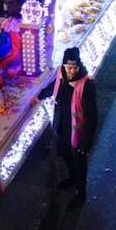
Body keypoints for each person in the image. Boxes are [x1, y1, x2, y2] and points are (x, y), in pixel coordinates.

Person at [35, 46, 97, 208]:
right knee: (64, 153)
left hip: (77, 131)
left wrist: (86, 141)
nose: (71, 71)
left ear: (79, 65)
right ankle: (72, 178)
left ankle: (80, 193)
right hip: (61, 125)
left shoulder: (86, 85)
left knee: (79, 161)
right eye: (68, 67)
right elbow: (53, 88)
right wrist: (39, 96)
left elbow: (92, 117)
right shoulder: (61, 75)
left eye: (74, 67)